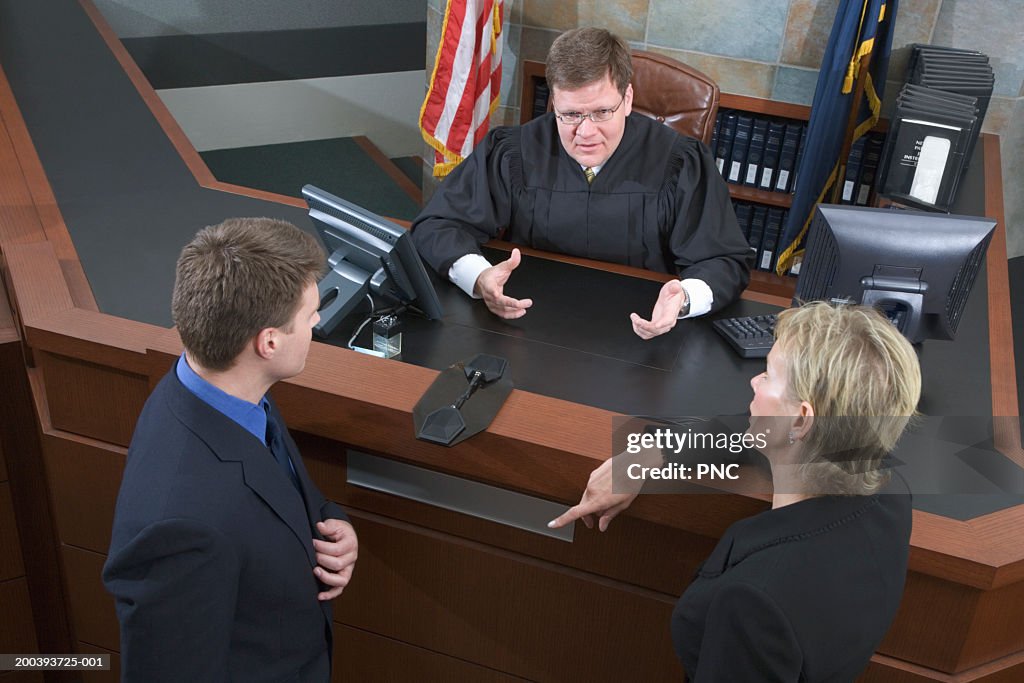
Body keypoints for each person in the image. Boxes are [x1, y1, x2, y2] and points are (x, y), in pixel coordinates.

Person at [550, 302, 921, 681]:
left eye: (768, 375)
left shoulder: (755, 600)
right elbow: (749, 432)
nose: (753, 382)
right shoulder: (890, 491)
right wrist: (649, 454)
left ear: (800, 419)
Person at [103, 218, 357, 682]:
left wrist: (327, 519)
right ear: (269, 342)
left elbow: (272, 484)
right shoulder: (180, 530)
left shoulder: (217, 385)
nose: (318, 322)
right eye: (310, 315)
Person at [411, 27, 750, 339]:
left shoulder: (679, 161)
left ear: (627, 99)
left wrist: (685, 298)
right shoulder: (514, 151)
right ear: (554, 102)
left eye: (602, 112)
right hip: (526, 326)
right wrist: (480, 277)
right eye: (571, 114)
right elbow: (438, 225)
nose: (586, 132)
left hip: (643, 332)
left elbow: (725, 261)